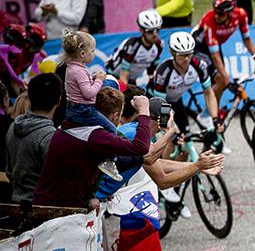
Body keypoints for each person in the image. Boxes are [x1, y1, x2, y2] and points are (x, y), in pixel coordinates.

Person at [32, 87, 152, 209]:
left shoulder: (68, 125)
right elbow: (141, 147)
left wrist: (91, 195)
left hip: (46, 201)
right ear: (116, 116)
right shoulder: (94, 135)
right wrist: (144, 110)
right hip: (62, 209)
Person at [191, 0, 255, 106]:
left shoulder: (241, 14)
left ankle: (212, 113)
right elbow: (214, 56)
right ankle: (208, 115)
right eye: (216, 11)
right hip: (198, 47)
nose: (216, 15)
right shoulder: (210, 18)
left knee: (222, 82)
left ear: (230, 12)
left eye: (220, 13)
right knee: (222, 78)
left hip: (214, 46)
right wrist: (226, 78)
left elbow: (247, 39)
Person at [148, 32, 220, 134]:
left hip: (176, 100)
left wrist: (215, 119)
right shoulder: (164, 71)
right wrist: (169, 130)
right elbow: (161, 104)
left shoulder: (199, 66)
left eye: (189, 54)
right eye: (182, 55)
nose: (186, 59)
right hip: (156, 103)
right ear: (172, 53)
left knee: (186, 135)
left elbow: (209, 93)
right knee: (169, 138)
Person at [6, 73, 61, 203]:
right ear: (59, 100)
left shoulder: (13, 127)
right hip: (42, 211)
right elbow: (58, 181)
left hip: (16, 203)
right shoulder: (50, 136)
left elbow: (9, 171)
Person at [61, 30, 118, 134]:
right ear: (82, 54)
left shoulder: (71, 67)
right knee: (111, 129)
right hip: (84, 110)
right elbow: (88, 93)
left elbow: (78, 85)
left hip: (72, 108)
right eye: (92, 51)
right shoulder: (79, 71)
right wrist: (99, 80)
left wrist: (92, 77)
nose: (94, 54)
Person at [108, 10, 164, 84]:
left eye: (157, 30)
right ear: (141, 30)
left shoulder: (158, 45)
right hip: (114, 77)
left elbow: (152, 70)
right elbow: (124, 72)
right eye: (150, 31)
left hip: (131, 79)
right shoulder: (132, 45)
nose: (155, 34)